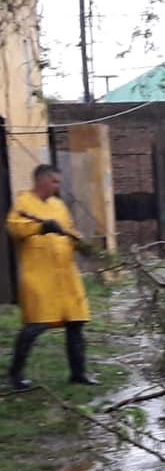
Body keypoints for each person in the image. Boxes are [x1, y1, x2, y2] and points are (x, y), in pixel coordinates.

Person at [6, 164, 98, 390]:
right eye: (55, 181)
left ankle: (78, 374)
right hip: (40, 276)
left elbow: (68, 230)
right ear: (41, 181)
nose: (58, 186)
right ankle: (15, 375)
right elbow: (14, 228)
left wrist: (80, 242)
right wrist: (40, 228)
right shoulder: (23, 203)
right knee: (34, 326)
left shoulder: (58, 205)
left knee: (76, 324)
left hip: (66, 276)